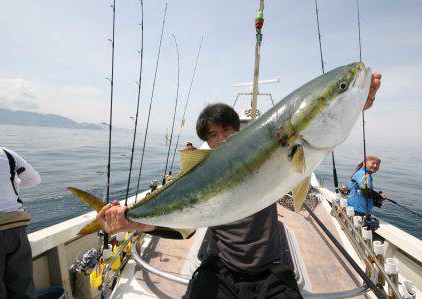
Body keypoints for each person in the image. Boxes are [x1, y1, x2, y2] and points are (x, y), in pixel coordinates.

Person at [97, 73, 382, 298]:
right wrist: (130, 222)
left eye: (228, 130)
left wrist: (357, 102)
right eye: (212, 135)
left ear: (239, 130)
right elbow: (185, 228)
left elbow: (321, 138)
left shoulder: (280, 153)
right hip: (220, 269)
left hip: (269, 270)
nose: (221, 139)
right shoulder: (204, 173)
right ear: (206, 142)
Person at [0, 147, 41, 299]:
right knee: (23, 289)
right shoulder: (5, 153)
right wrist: (8, 183)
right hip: (15, 228)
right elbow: (35, 179)